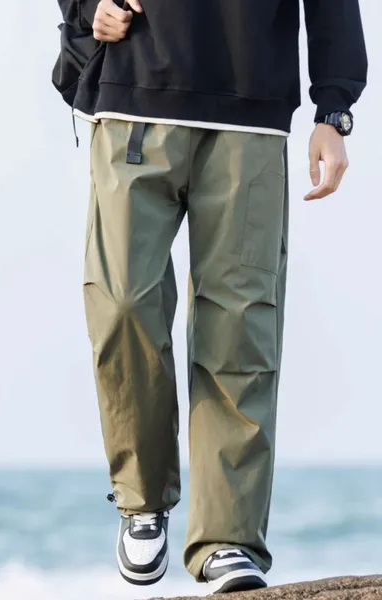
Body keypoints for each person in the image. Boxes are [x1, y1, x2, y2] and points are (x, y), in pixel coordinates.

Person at [67, 0, 367, 593]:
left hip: (251, 107)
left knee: (240, 324)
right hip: (133, 93)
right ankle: (142, 500)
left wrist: (334, 110)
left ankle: (228, 537)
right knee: (121, 302)